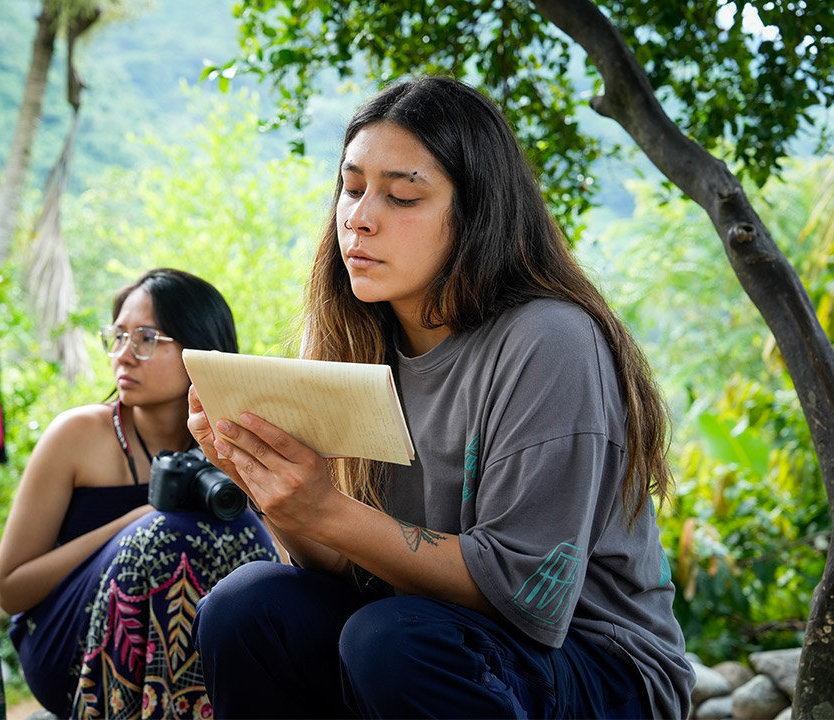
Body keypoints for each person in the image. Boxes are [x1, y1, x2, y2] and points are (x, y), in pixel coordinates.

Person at [186, 77, 696, 719]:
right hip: (426, 635)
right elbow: (339, 565)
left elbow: (525, 597)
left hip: (599, 668)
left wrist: (327, 510)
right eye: (350, 188)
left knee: (392, 637)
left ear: (476, 212)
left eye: (401, 195)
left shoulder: (549, 340)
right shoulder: (354, 335)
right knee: (249, 606)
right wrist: (265, 481)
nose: (360, 217)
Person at [0, 268, 280, 720]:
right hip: (69, 645)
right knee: (162, 533)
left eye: (146, 338)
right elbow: (10, 589)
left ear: (199, 349)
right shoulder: (78, 435)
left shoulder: (235, 441)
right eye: (118, 336)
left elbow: (267, 561)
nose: (123, 356)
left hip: (195, 650)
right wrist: (139, 521)